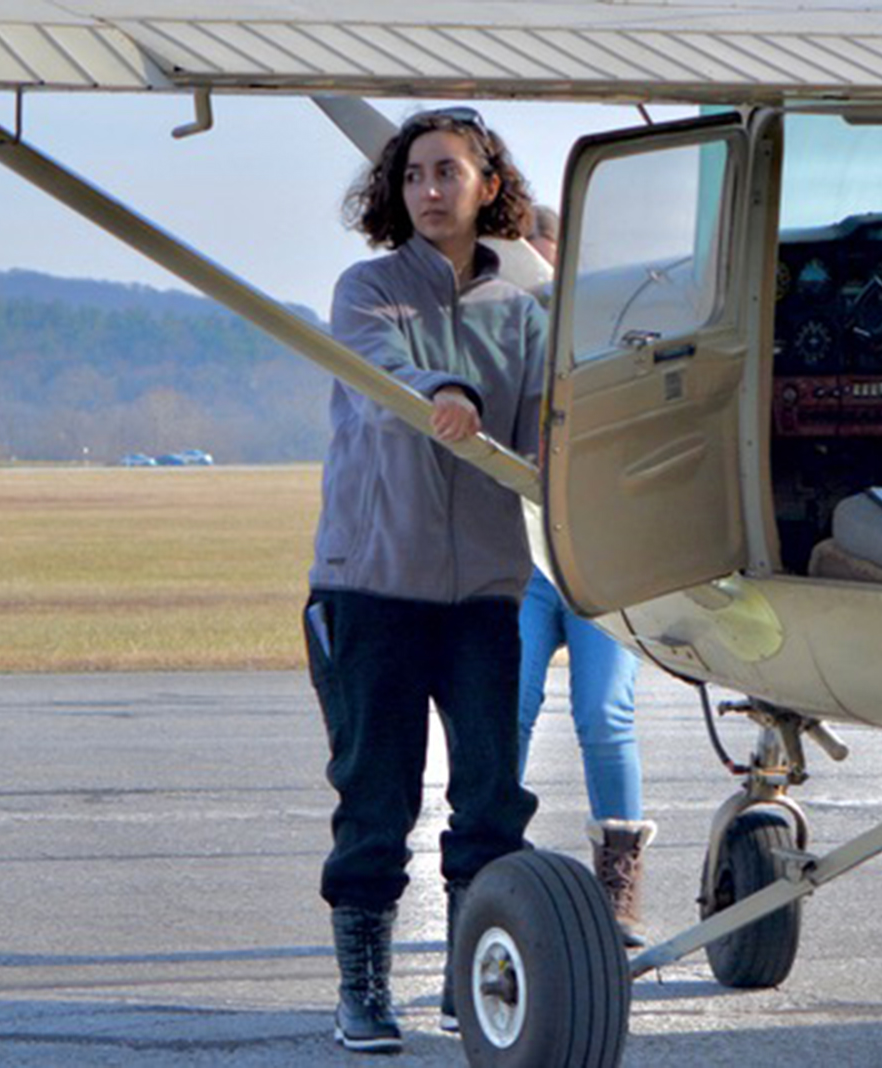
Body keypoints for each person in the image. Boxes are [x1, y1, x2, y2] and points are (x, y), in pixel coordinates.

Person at [305, 107, 545, 1054]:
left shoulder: (521, 314)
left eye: (448, 172)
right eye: (413, 176)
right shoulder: (366, 290)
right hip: (372, 588)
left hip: (485, 592)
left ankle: (470, 972)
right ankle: (363, 989)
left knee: (491, 799)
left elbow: (539, 437)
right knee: (377, 800)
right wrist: (446, 391)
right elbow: (385, 372)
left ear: (490, 186)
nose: (429, 191)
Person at [514, 202, 658, 949]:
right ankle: (493, 864)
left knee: (604, 713)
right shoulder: (500, 337)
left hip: (599, 557)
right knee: (510, 706)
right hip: (523, 558)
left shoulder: (619, 337)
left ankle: (618, 876)